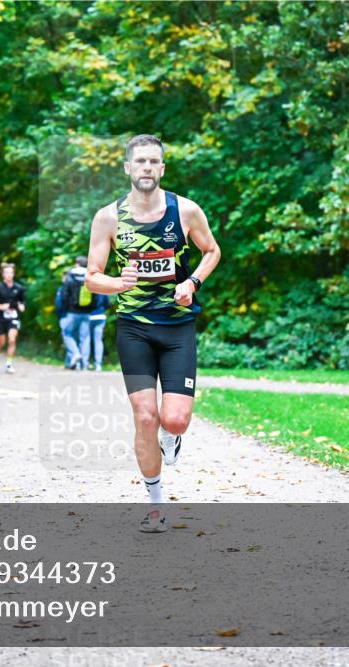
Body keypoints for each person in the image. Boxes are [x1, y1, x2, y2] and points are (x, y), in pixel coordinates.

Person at [84, 134, 221, 532]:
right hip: (134, 329)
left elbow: (212, 251)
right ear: (128, 168)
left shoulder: (186, 211)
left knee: (173, 421)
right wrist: (118, 283)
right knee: (145, 416)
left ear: (162, 169)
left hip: (178, 327)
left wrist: (192, 281)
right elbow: (92, 278)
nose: (146, 168)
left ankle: (172, 437)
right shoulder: (108, 218)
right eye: (139, 161)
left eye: (153, 162)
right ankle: (156, 504)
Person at [0, 263, 26, 374]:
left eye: (11, 272)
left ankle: (9, 364)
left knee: (12, 339)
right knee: (2, 342)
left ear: (13, 274)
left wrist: (21, 306)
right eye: (6, 273)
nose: (9, 275)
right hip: (0, 317)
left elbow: (23, 300)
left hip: (13, 317)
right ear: (3, 275)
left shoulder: (19, 288)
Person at [60, 256, 95, 370]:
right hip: (86, 313)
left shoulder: (70, 277)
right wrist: (91, 309)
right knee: (85, 338)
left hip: (72, 312)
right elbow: (96, 294)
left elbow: (64, 295)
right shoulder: (89, 277)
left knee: (67, 333)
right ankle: (84, 365)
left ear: (76, 264)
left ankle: (75, 353)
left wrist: (65, 309)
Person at [54, 271, 80, 368]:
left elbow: (59, 303)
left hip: (66, 316)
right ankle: (69, 363)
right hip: (77, 315)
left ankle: (74, 356)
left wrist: (61, 315)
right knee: (74, 338)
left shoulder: (63, 289)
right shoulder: (77, 287)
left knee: (67, 337)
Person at [86, 291, 110, 371]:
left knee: (86, 340)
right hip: (100, 316)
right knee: (98, 341)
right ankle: (98, 365)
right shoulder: (102, 289)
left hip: (88, 316)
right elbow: (107, 304)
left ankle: (85, 363)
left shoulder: (87, 287)